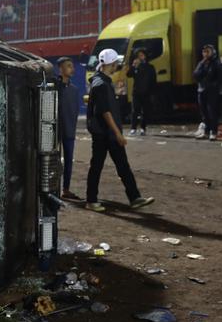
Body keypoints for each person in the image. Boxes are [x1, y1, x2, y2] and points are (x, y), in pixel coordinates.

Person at [85, 48, 155, 212]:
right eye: (116, 62)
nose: (117, 65)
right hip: (105, 134)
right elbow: (105, 112)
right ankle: (91, 200)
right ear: (112, 63)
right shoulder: (101, 84)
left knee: (120, 165)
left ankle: (135, 197)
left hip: (106, 133)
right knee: (99, 166)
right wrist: (117, 134)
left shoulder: (101, 81)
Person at [55, 57, 80, 200]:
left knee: (69, 160)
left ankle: (66, 189)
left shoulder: (74, 90)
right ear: (61, 69)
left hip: (69, 130)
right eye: (68, 66)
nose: (72, 68)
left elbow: (75, 111)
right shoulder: (54, 87)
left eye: (72, 66)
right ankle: (54, 189)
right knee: (55, 161)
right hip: (56, 131)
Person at [192, 44, 222, 140]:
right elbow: (195, 74)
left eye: (208, 51)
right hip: (201, 90)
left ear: (213, 52)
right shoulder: (201, 63)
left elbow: (220, 77)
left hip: (212, 91)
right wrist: (202, 62)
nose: (205, 53)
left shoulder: (216, 63)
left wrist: (214, 85)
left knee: (211, 112)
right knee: (204, 112)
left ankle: (213, 132)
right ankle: (206, 131)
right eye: (204, 51)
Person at [125, 48, 157, 136]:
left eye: (142, 55)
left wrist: (152, 93)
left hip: (147, 93)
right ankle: (133, 128)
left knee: (145, 111)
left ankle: (143, 128)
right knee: (135, 110)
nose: (141, 57)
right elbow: (128, 75)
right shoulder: (136, 66)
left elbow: (153, 81)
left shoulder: (150, 67)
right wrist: (133, 66)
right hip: (136, 93)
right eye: (139, 56)